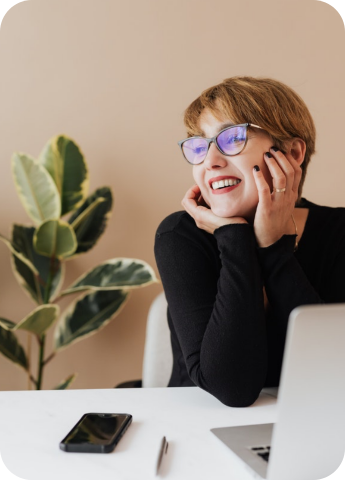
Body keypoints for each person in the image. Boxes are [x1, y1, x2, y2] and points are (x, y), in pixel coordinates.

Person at [154, 76, 345, 407]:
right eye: (200, 146)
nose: (210, 161)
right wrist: (236, 238)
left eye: (233, 138)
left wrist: (274, 249)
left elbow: (335, 372)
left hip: (316, 423)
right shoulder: (180, 236)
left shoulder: (339, 231)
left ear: (293, 152)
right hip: (197, 426)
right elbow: (231, 387)